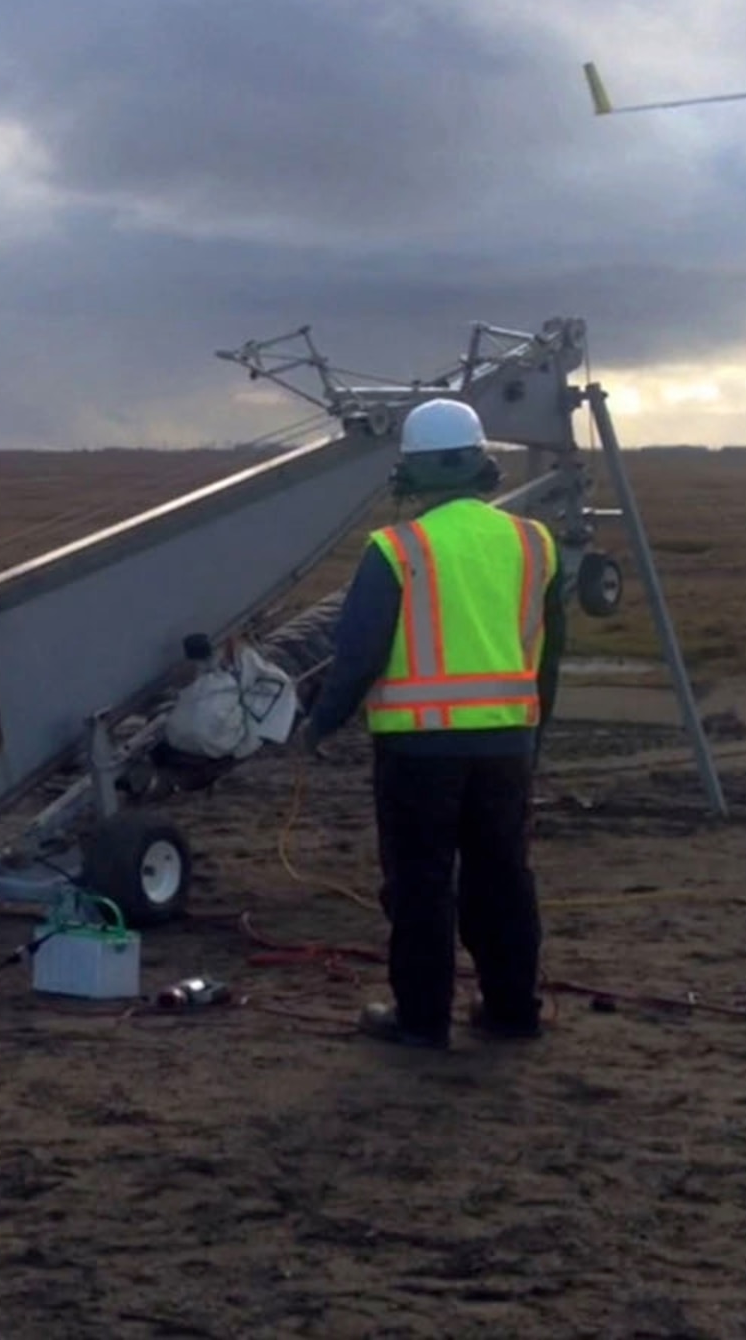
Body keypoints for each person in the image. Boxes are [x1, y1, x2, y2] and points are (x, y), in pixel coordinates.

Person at [297, 398, 568, 1051]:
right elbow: (550, 654)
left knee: (421, 883)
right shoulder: (534, 543)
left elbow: (358, 653)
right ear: (484, 468)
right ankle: (511, 1011)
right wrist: (532, 735)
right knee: (503, 877)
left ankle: (421, 1020)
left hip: (418, 751)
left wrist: (319, 725)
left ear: (409, 476)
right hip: (505, 746)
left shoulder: (396, 549)